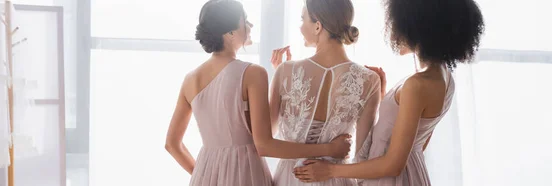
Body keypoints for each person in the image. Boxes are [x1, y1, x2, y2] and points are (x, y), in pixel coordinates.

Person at [292, 0, 485, 185]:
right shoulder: (444, 77)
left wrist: (330, 170)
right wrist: (385, 99)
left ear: (417, 27)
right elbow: (417, 142)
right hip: (413, 174)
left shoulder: (416, 85)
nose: (393, 32)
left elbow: (392, 165)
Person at [164, 1, 351, 185]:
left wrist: (203, 175)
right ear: (229, 33)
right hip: (245, 173)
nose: (250, 25)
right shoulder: (252, 73)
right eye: (244, 20)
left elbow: (172, 144)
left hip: (205, 175)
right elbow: (265, 145)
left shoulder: (190, 79)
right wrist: (330, 149)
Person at [269, 0, 382, 185]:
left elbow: (268, 144)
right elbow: (363, 158)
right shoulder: (369, 80)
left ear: (318, 26)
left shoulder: (285, 71)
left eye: (302, 19)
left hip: (291, 178)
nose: (300, 26)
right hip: (337, 180)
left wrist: (281, 76)